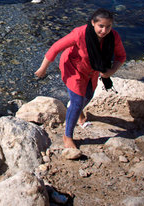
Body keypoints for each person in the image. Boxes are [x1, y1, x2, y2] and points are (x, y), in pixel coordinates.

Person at [34, 8, 126, 149]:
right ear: (93, 23)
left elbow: (121, 56)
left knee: (88, 96)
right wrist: (43, 68)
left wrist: (111, 71)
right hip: (73, 68)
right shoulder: (80, 34)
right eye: (101, 26)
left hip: (92, 70)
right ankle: (68, 136)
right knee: (77, 101)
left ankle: (78, 114)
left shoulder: (113, 37)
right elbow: (55, 48)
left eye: (108, 26)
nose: (104, 30)